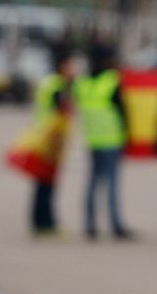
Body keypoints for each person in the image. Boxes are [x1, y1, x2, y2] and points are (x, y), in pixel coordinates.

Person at [75, 44, 134, 241]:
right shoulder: (111, 81)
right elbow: (122, 111)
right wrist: (128, 134)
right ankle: (115, 224)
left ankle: (90, 225)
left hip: (93, 139)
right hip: (111, 139)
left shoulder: (82, 83)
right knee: (111, 185)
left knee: (92, 184)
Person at [28, 44, 76, 237]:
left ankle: (40, 222)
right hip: (51, 139)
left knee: (42, 183)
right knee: (47, 183)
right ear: (62, 66)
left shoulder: (48, 82)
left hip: (41, 136)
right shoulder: (58, 85)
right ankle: (46, 224)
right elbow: (61, 110)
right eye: (71, 65)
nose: (73, 70)